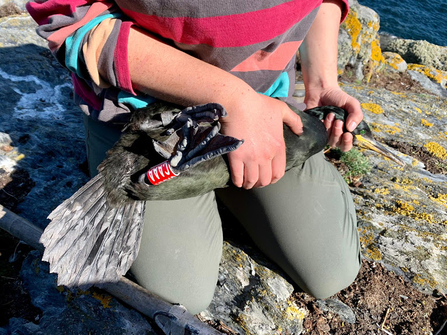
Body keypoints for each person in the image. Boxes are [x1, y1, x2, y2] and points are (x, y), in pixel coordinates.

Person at [27, 0, 363, 314]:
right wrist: (232, 99)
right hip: (146, 123)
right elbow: (69, 20)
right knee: (182, 291)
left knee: (331, 269)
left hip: (265, 109)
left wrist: (321, 83)